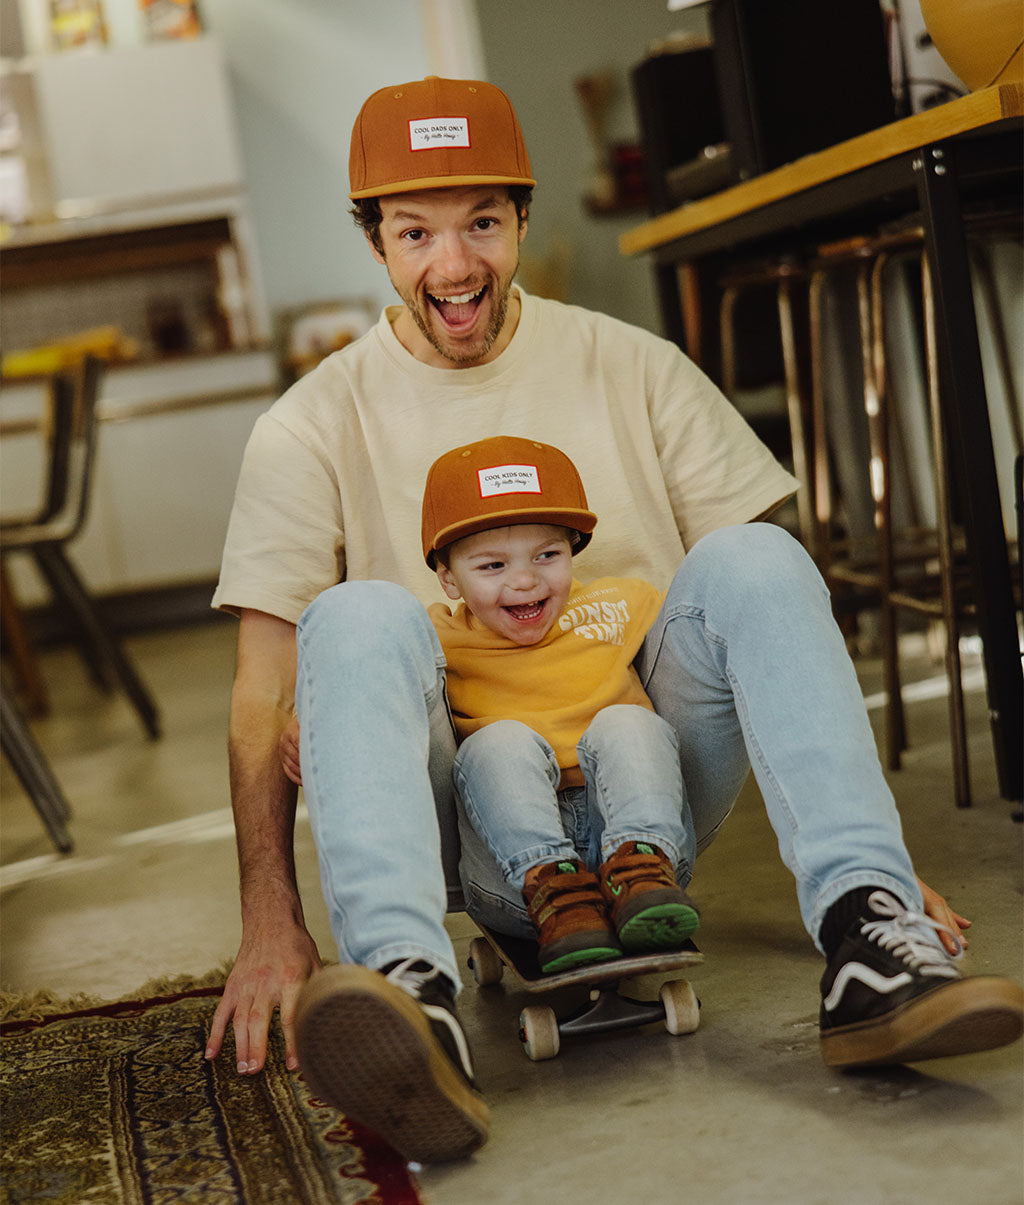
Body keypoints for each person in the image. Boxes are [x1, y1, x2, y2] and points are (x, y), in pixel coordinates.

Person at [205, 75, 1024, 1165]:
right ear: (375, 243)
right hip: (472, 815)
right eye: (416, 232)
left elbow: (768, 612)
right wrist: (270, 913)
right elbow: (260, 688)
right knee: (350, 615)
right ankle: (410, 994)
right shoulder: (309, 425)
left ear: (522, 218)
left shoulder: (632, 366)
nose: (454, 267)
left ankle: (869, 932)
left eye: (482, 224)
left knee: (757, 550)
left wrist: (857, 827)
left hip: (654, 791)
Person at [423, 435, 700, 973]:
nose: (525, 580)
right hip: (513, 873)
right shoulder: (433, 635)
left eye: (547, 555)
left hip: (640, 848)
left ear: (573, 551)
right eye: (492, 566)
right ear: (448, 578)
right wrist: (308, 717)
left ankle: (641, 865)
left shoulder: (618, 603)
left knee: (628, 722)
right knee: (496, 743)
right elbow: (375, 674)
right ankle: (556, 888)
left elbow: (702, 631)